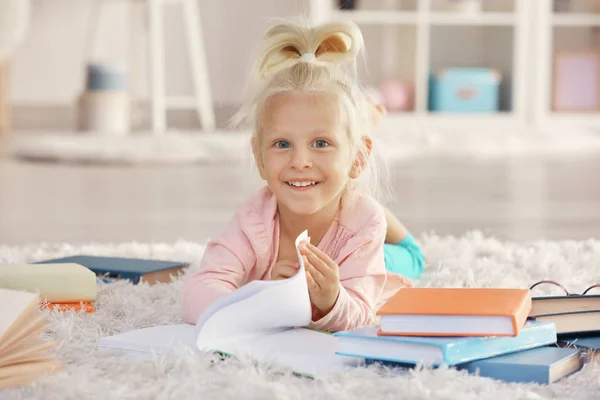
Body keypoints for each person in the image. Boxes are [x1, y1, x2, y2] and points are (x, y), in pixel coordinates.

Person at [183, 19, 420, 332]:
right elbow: (200, 289)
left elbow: (362, 311)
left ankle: (359, 147)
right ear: (259, 157)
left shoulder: (366, 223)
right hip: (338, 190)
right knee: (329, 177)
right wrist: (256, 299)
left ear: (361, 157)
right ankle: (347, 147)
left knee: (412, 260)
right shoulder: (253, 219)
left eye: (320, 143)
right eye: (282, 144)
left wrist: (331, 298)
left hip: (369, 247)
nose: (300, 161)